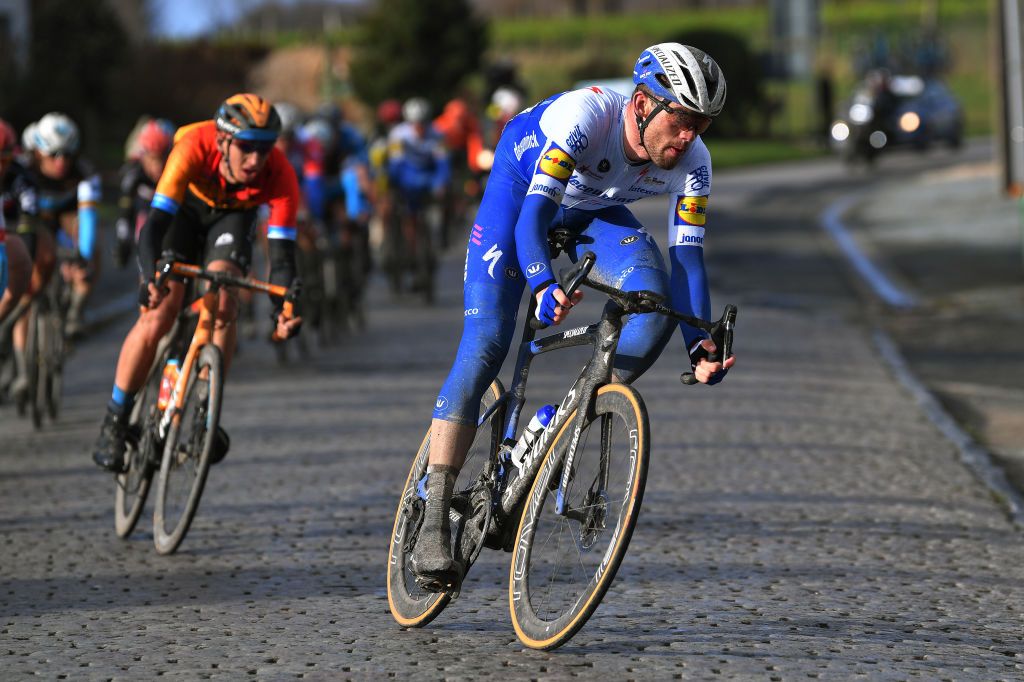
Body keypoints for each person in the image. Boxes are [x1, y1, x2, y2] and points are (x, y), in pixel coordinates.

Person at [411, 43, 737, 590]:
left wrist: (698, 343)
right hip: (522, 198)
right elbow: (531, 221)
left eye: (700, 126)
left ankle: (555, 424)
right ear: (642, 103)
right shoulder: (587, 117)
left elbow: (687, 260)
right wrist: (541, 282)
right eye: (680, 123)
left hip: (592, 208)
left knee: (652, 304)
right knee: (489, 339)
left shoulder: (695, 163)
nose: (688, 140)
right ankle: (436, 504)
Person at [91, 93, 303, 472]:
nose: (256, 160)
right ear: (223, 141)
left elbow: (283, 255)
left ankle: (206, 411)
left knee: (224, 298)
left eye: (265, 149)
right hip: (183, 215)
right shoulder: (192, 146)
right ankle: (115, 419)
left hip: (232, 220)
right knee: (159, 312)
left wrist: (283, 307)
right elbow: (153, 227)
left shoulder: (280, 173)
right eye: (246, 148)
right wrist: (150, 276)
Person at [114, 118, 175, 268]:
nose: (158, 167)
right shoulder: (133, 173)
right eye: (153, 159)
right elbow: (124, 211)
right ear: (143, 156)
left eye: (162, 158)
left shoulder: (177, 170)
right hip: (144, 213)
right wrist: (123, 241)